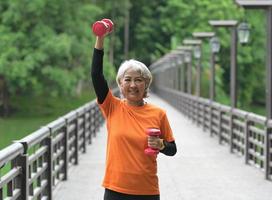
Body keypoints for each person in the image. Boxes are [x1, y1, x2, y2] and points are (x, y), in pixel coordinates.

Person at [91, 29, 177, 200]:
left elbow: (172, 149)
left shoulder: (158, 113)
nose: (133, 85)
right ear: (120, 84)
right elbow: (96, 75)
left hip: (147, 191)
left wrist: (161, 144)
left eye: (138, 80)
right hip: (115, 189)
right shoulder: (112, 106)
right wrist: (100, 37)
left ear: (146, 84)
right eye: (128, 79)